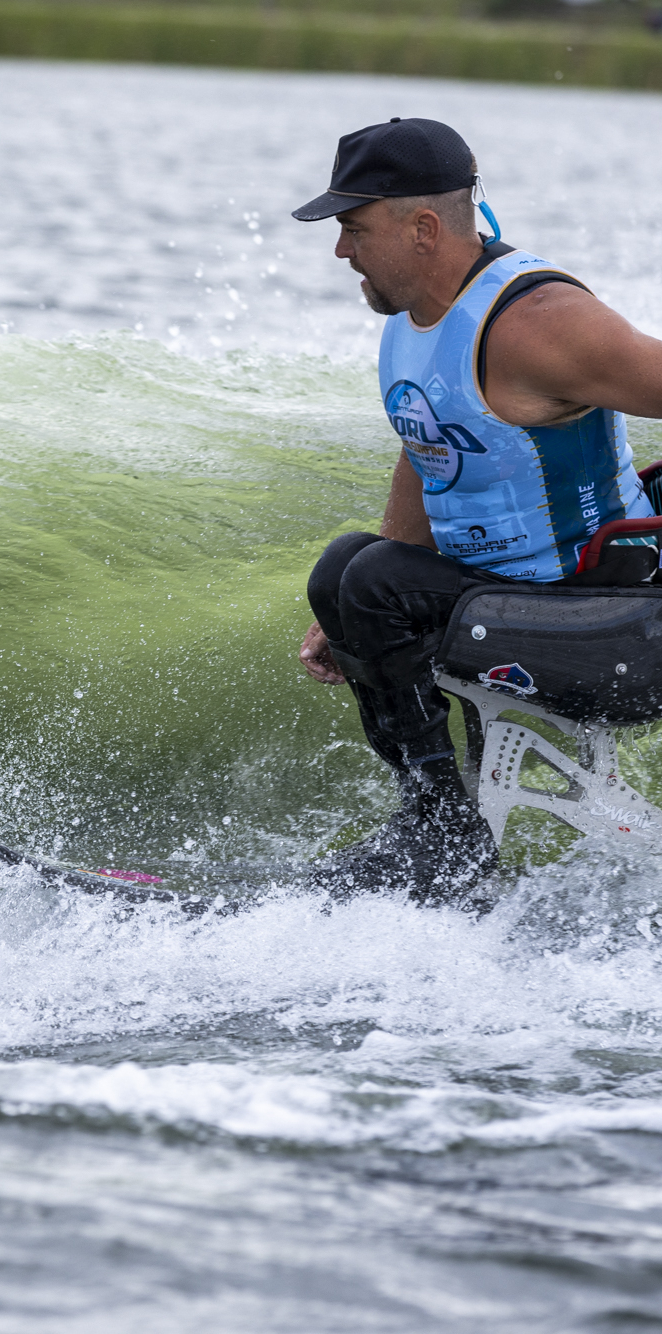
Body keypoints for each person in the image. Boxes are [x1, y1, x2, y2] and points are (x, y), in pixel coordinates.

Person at [291, 117, 662, 902]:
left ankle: (444, 840)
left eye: (353, 228)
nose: (340, 250)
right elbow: (424, 452)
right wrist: (352, 623)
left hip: (614, 619)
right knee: (347, 572)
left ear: (423, 227)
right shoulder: (415, 323)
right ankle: (436, 821)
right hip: (518, 601)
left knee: (376, 581)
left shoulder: (539, 323)